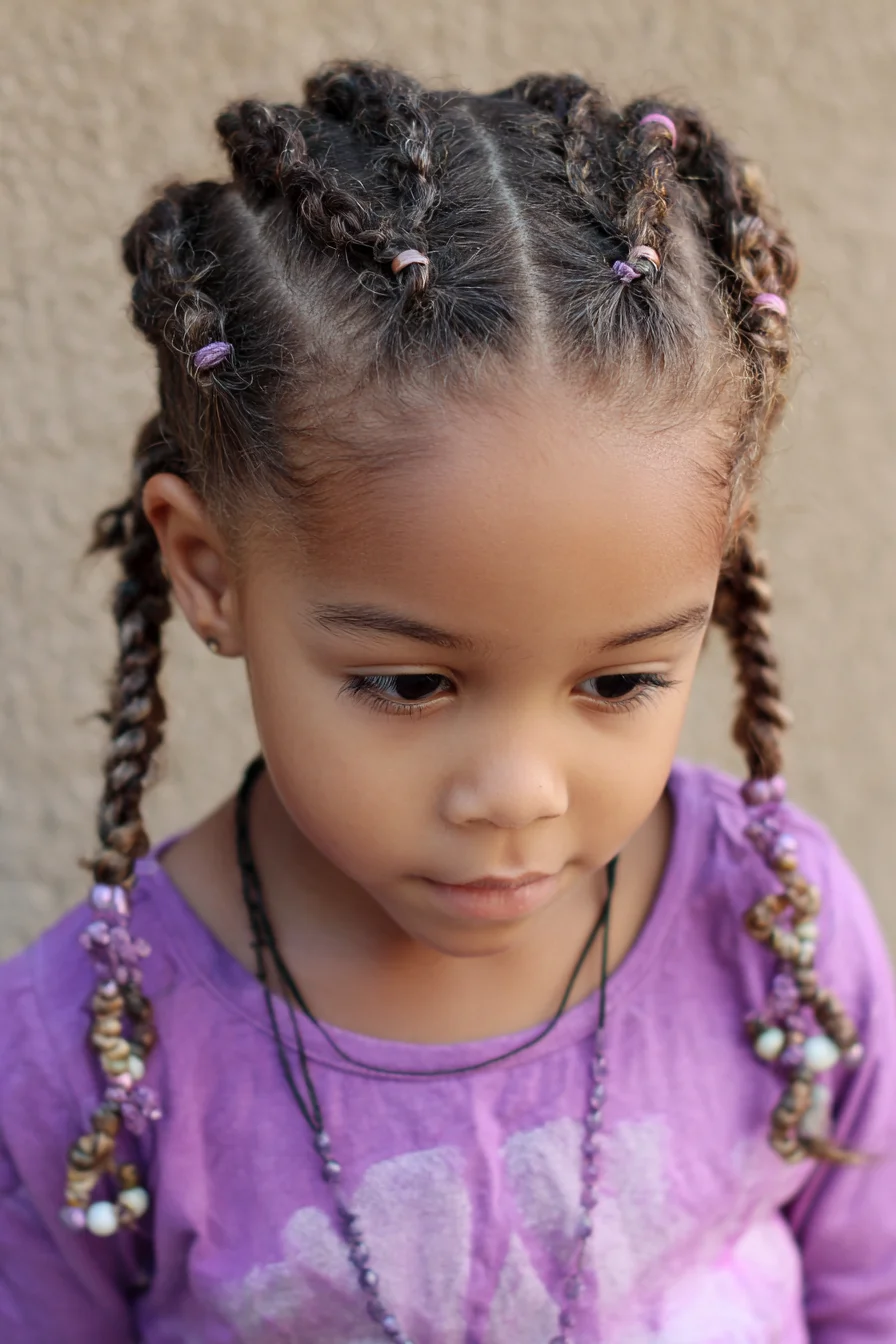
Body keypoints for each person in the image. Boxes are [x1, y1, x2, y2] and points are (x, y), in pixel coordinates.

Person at [1, 60, 894, 1344]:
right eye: (411, 684)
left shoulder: (768, 931)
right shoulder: (88, 1060)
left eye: (620, 681)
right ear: (207, 573)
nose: (517, 792)